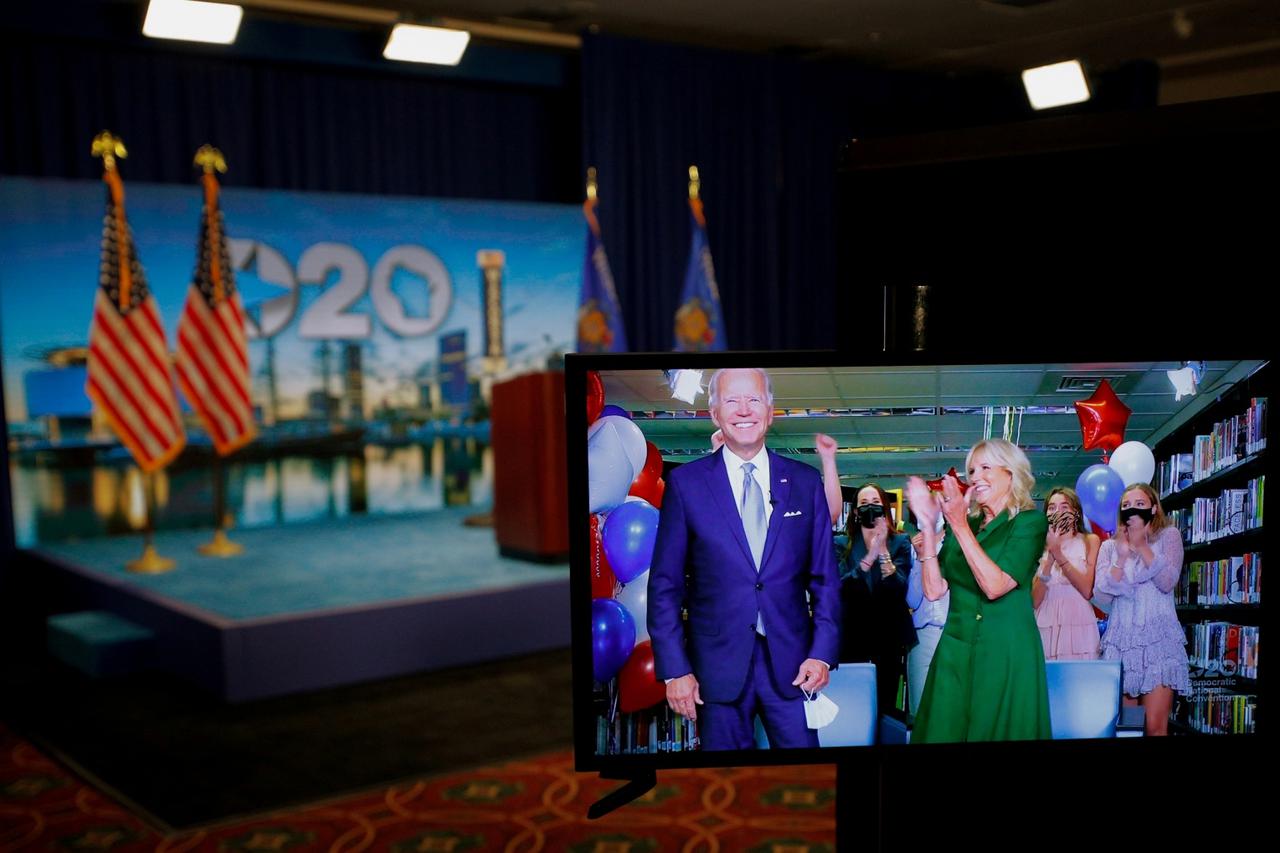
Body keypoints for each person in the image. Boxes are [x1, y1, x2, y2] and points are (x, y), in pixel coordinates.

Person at [648, 367, 841, 750]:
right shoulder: (686, 485)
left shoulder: (804, 483)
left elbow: (825, 580)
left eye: (753, 399)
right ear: (714, 413)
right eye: (731, 401)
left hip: (793, 668)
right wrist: (674, 671)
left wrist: (822, 654)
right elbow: (665, 586)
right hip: (714, 674)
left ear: (770, 411)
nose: (743, 410)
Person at [904, 438, 1051, 742]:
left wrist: (957, 525)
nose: (975, 477)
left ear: (1011, 473)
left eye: (986, 467)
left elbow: (996, 585)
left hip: (1006, 652)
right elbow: (934, 590)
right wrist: (930, 528)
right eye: (972, 470)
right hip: (955, 651)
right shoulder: (967, 523)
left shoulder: (1029, 523)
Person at [1092, 483, 1189, 736]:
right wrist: (1123, 556)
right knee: (1128, 728)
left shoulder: (1169, 536)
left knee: (1155, 728)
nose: (1132, 510)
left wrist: (1142, 546)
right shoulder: (1109, 547)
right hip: (1122, 644)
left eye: (1139, 504)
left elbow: (1167, 582)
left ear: (1154, 508)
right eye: (1126, 505)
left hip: (1158, 645)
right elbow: (1100, 595)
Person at [834, 483, 916, 715]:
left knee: (885, 705)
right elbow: (840, 588)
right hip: (851, 634)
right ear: (857, 512)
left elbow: (900, 588)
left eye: (876, 504)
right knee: (852, 706)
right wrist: (869, 556)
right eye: (864, 504)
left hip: (888, 636)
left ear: (886, 509)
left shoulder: (900, 542)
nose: (871, 509)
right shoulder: (841, 544)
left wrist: (882, 551)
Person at [1033, 487, 1101, 660]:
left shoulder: (1089, 541)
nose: (1058, 512)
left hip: (1079, 622)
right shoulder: (1036, 545)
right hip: (1045, 622)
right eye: (1052, 507)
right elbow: (1034, 600)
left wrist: (1059, 555)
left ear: (1075, 512)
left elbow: (1087, 590)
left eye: (1065, 507)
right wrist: (1049, 560)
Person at [905, 521, 949, 717]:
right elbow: (912, 600)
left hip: (953, 632)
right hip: (923, 634)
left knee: (950, 708)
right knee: (921, 709)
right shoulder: (913, 546)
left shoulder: (959, 542)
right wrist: (920, 558)